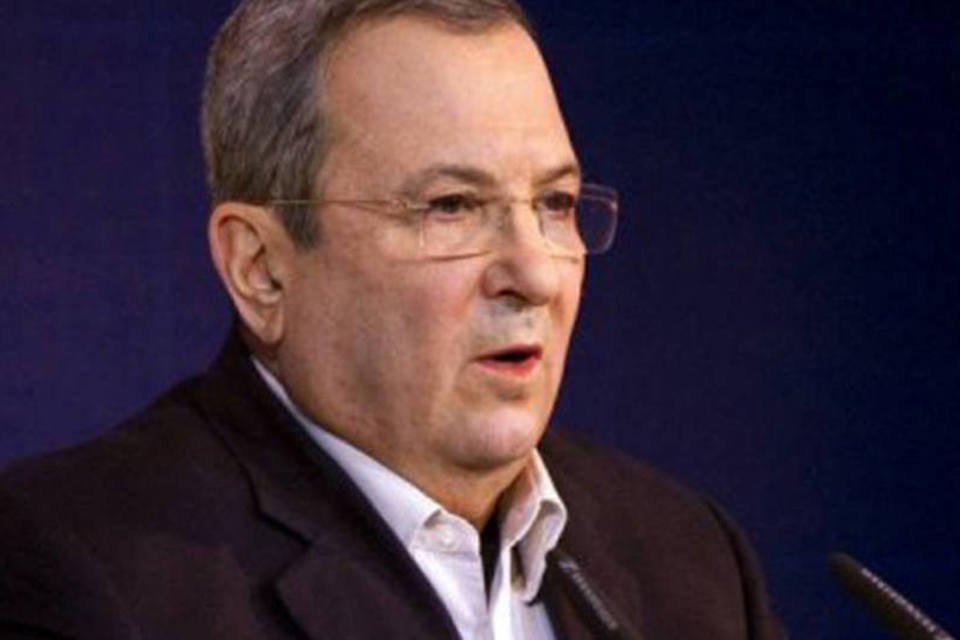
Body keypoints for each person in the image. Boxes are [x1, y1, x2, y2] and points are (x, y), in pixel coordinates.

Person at [0, 1, 786, 638]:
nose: (535, 275)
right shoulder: (79, 573)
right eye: (451, 207)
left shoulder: (690, 561)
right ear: (261, 269)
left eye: (554, 204)